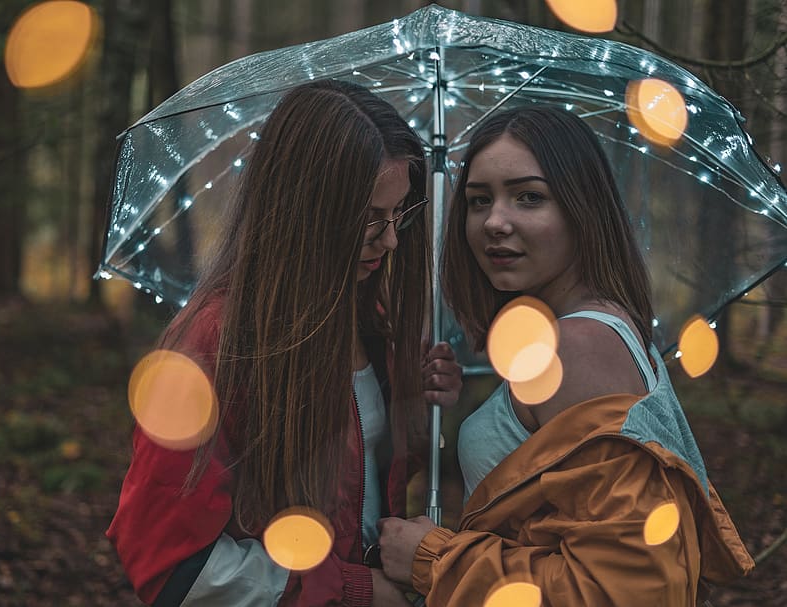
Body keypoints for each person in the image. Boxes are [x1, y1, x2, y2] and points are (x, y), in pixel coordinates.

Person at [376, 105, 753, 606]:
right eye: (478, 200)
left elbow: (629, 589)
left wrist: (433, 559)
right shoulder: (601, 326)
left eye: (529, 197)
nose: (495, 222)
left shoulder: (574, 348)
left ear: (581, 208)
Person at [106, 79, 463, 607]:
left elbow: (355, 493)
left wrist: (419, 408)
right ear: (306, 210)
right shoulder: (214, 345)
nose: (389, 240)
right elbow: (171, 566)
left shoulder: (373, 324)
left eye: (399, 215)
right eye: (368, 218)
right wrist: (353, 592)